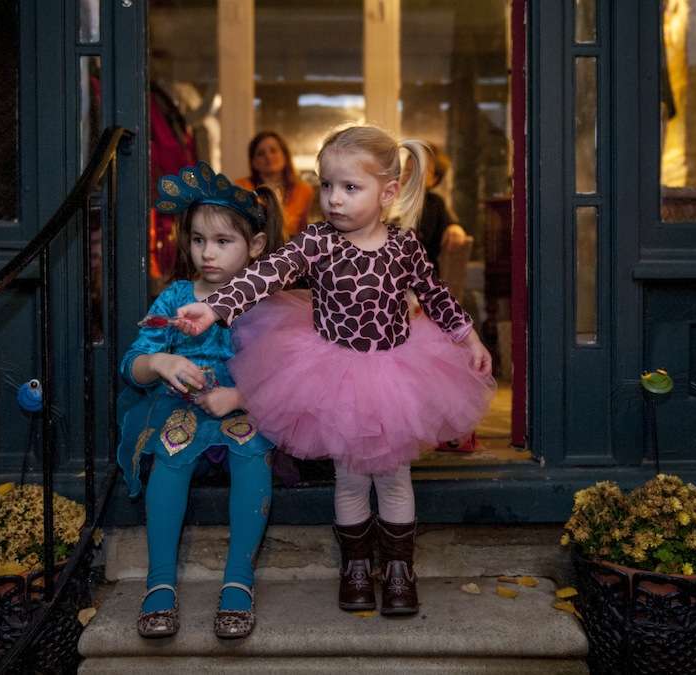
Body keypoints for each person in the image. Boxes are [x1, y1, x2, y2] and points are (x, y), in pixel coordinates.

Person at [175, 125, 495, 616]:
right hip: (334, 375)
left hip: (396, 374)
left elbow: (436, 295)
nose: (334, 199)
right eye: (326, 185)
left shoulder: (404, 246)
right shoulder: (316, 243)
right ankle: (356, 567)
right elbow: (265, 275)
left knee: (393, 478)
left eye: (350, 187)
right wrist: (216, 308)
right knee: (349, 479)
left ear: (387, 192)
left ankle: (398, 569)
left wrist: (468, 337)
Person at [117, 161, 283, 640]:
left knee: (253, 459)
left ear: (253, 247)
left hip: (241, 408)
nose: (206, 254)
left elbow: (284, 375)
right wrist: (163, 364)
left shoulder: (261, 301)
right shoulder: (173, 299)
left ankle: (238, 581)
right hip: (181, 410)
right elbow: (132, 362)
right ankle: (160, 582)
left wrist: (238, 394)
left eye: (222, 242)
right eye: (197, 240)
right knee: (169, 459)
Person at [235, 131, 315, 240]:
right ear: (253, 162)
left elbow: (304, 231)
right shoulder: (241, 187)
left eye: (273, 150)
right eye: (261, 153)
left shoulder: (304, 190)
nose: (268, 156)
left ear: (285, 155)